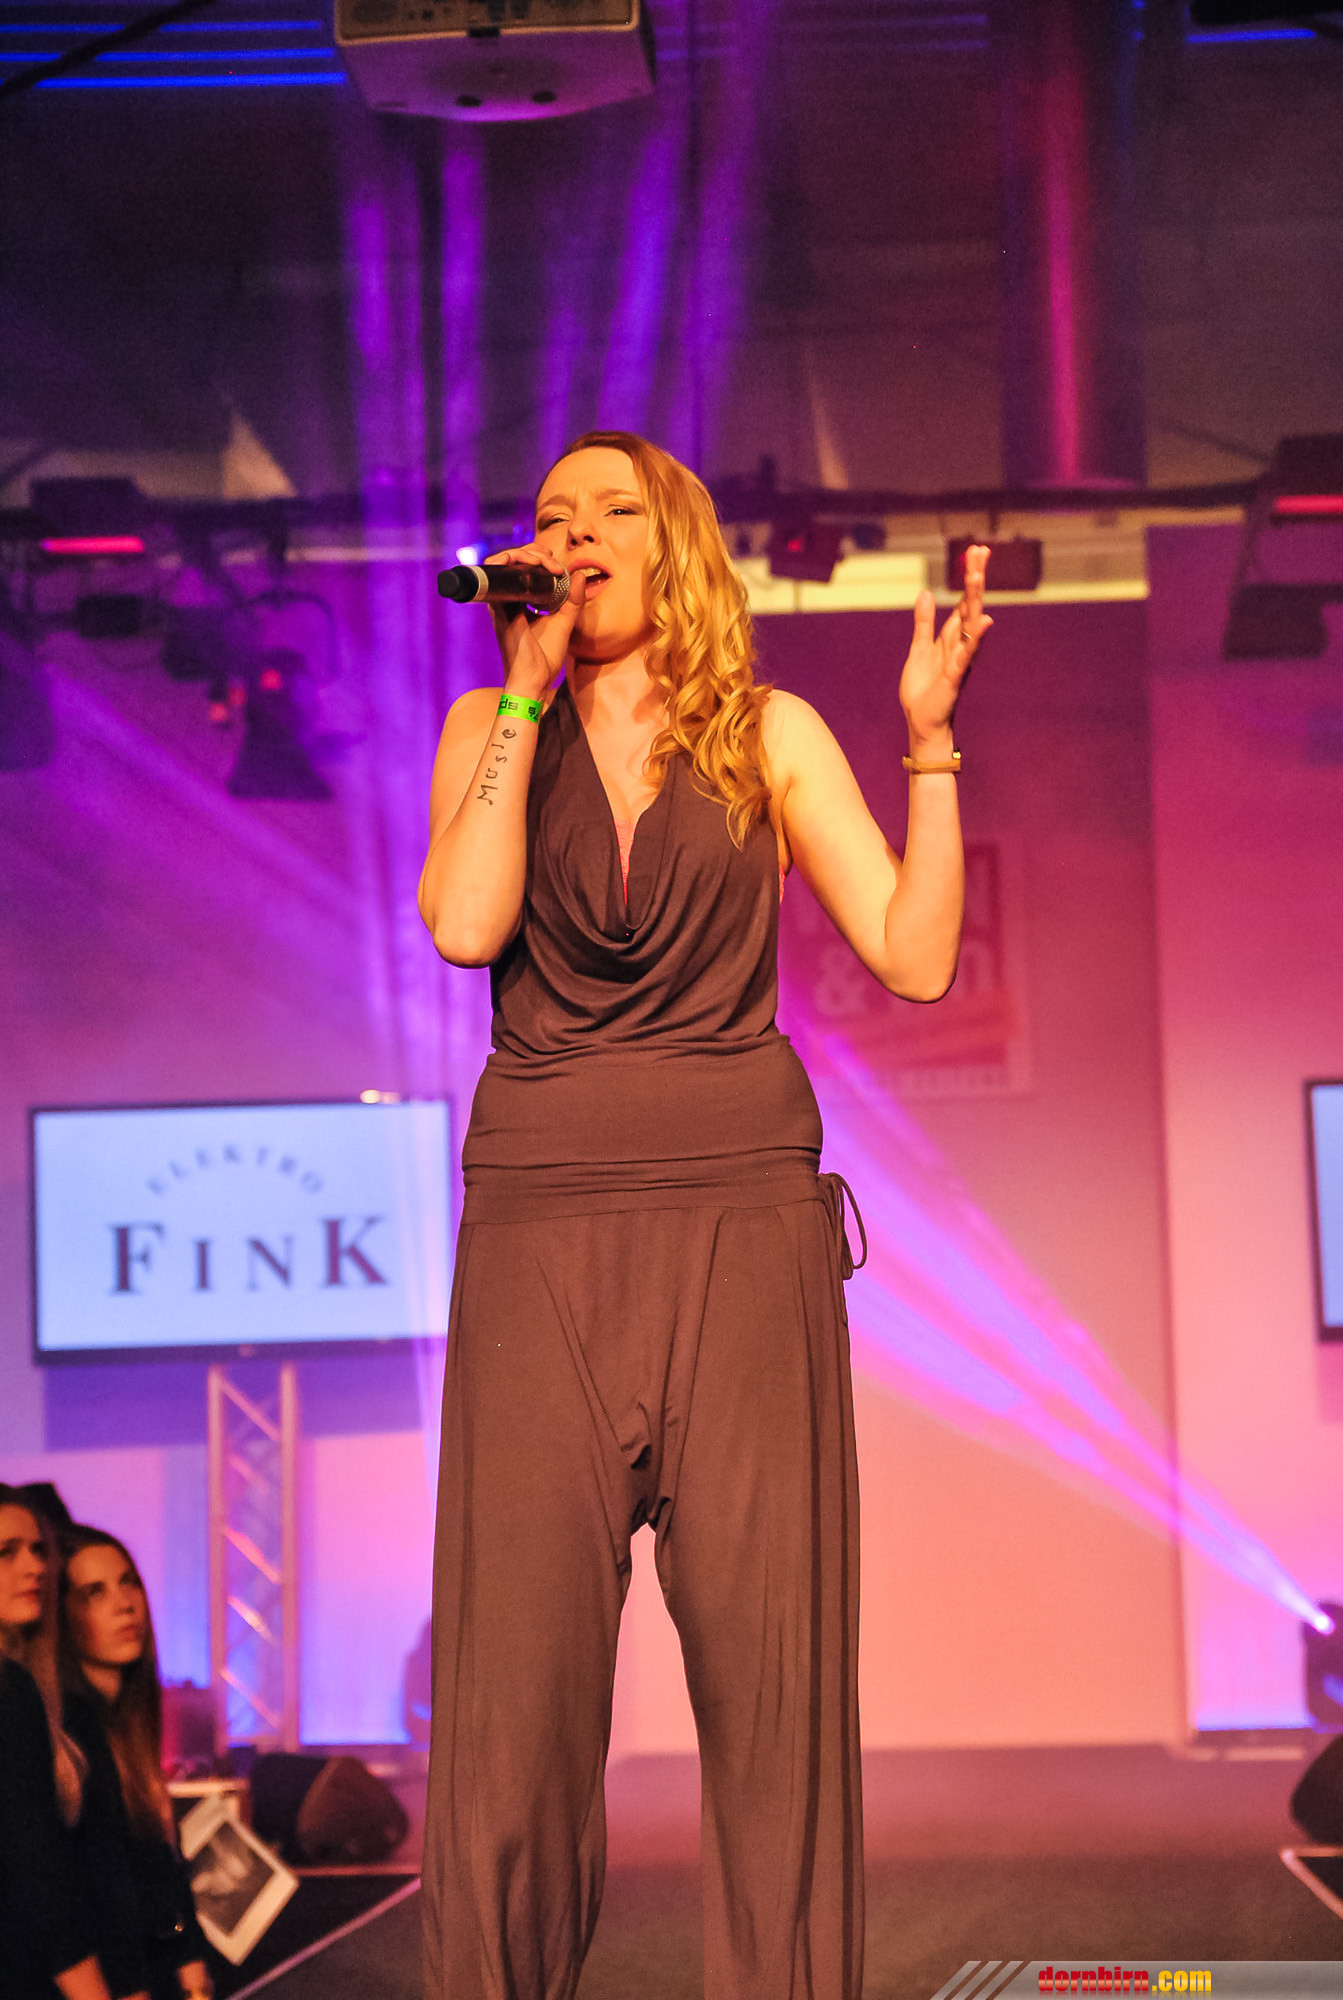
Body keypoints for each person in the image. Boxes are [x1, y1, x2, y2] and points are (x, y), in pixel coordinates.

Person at [417, 430, 989, 2000]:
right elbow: (466, 923)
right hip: (540, 1219)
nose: (572, 537)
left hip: (740, 1218)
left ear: (671, 543)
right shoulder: (489, 722)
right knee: (512, 1701)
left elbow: (912, 955)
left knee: (769, 1685)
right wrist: (523, 692)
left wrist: (927, 746)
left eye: (608, 511)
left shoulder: (766, 731)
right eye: (551, 518)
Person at [57, 1526, 212, 2000]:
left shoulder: (127, 1722)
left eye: (129, 1582)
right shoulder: (69, 1731)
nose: (124, 1604)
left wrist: (191, 1972)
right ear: (62, 1617)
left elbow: (157, 1870)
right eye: (94, 1593)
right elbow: (99, 1891)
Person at [0, 1485, 126, 2000]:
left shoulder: (31, 1687)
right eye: (6, 1553)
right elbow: (36, 1867)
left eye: (38, 1550)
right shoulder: (10, 1690)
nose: (35, 1567)